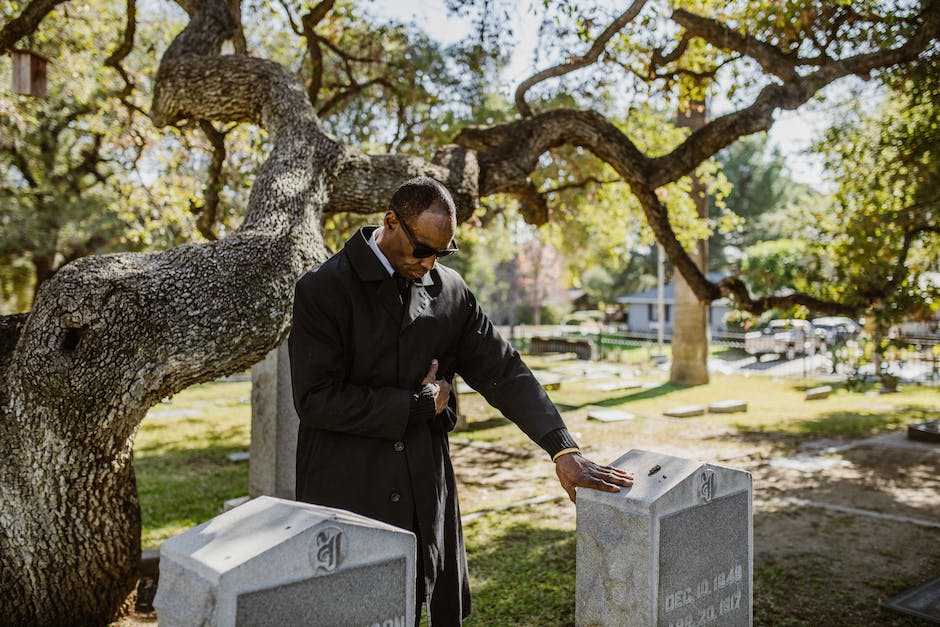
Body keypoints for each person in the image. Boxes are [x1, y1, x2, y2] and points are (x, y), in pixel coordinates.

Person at [289, 176, 633, 625]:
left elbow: (503, 370)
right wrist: (416, 404)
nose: (429, 264)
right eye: (422, 250)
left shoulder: (450, 291)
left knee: (422, 603)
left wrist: (562, 447)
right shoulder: (322, 288)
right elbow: (315, 399)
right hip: (349, 490)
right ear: (391, 222)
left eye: (441, 253)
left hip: (423, 487)